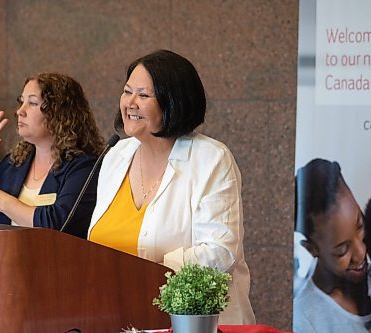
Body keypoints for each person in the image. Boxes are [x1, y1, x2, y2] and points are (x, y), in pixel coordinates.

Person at [87, 49, 255, 324]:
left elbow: (220, 251)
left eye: (143, 95)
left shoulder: (211, 158)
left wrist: (141, 273)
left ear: (173, 102)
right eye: (127, 91)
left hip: (192, 322)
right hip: (118, 318)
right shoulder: (116, 156)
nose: (130, 102)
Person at [0, 73, 105, 238]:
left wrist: (3, 203)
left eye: (33, 103)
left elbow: (58, 224)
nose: (20, 111)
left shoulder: (84, 166)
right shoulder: (15, 163)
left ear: (60, 114)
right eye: (22, 101)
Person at [293, 158, 371, 333]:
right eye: (342, 250)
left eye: (360, 226)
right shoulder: (304, 320)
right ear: (311, 249)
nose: (361, 252)